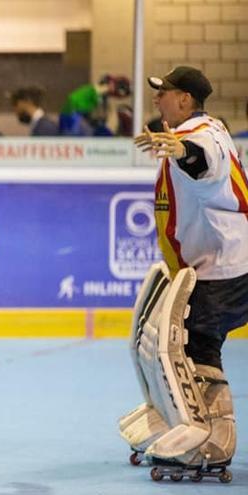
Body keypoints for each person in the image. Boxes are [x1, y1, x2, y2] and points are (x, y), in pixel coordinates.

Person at [124, 65, 246, 481]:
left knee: (195, 350)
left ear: (186, 100)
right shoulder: (196, 131)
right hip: (217, 265)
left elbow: (204, 163)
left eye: (165, 93)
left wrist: (181, 152)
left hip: (225, 269)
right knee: (187, 347)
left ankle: (211, 443)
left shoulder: (201, 135)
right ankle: (196, 428)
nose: (157, 99)